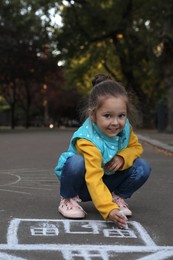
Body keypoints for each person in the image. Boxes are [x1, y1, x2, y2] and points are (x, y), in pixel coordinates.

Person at [54, 74, 151, 229]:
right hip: (83, 185)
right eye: (107, 116)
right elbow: (93, 178)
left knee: (142, 167)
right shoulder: (87, 140)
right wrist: (108, 210)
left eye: (121, 115)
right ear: (93, 115)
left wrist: (122, 157)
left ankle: (116, 197)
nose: (115, 122)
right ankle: (68, 199)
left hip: (107, 179)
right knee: (76, 163)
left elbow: (136, 147)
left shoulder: (125, 128)